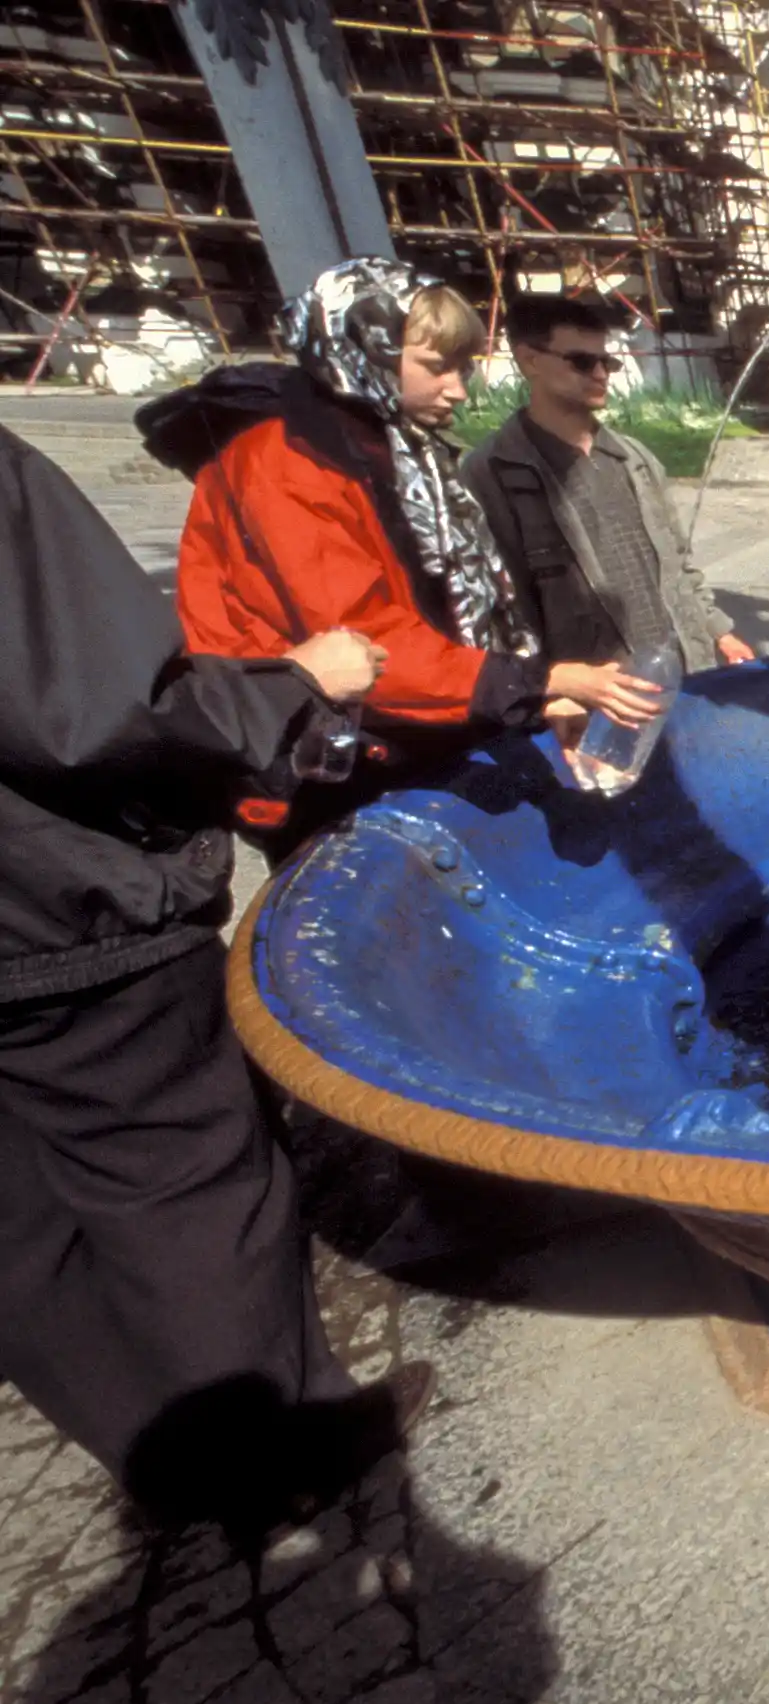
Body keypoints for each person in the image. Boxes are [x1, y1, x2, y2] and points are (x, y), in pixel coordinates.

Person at [1, 426, 429, 1533]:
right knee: (183, 1181)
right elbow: (94, 710)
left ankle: (162, 1453)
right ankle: (283, 1456)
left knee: (19, 1217)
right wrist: (292, 688)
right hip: (52, 911)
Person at [142, 259, 659, 850]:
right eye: (437, 367)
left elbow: (453, 605)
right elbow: (367, 646)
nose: (459, 390)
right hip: (316, 757)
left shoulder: (390, 440)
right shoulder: (289, 462)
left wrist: (533, 700)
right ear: (366, 350)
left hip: (394, 728)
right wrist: (544, 679)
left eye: (464, 367)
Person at [462, 295, 755, 679]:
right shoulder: (493, 471)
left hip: (682, 675)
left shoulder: (634, 459)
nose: (600, 374)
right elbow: (502, 605)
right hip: (594, 694)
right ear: (529, 360)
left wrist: (719, 631)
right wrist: (541, 690)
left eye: (607, 362)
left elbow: (677, 563)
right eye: (582, 362)